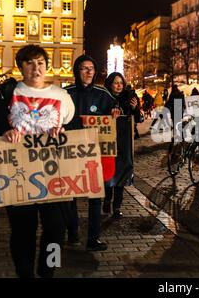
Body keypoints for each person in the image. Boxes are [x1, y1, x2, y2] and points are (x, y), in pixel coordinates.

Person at [0, 45, 75, 277]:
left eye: (41, 62)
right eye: (30, 63)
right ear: (21, 66)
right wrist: (4, 132)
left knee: (56, 229)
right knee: (23, 230)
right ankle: (25, 273)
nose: (36, 68)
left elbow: (73, 129)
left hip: (54, 174)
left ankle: (48, 270)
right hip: (18, 173)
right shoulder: (8, 92)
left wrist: (63, 130)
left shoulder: (61, 96)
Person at [64, 55, 120, 251]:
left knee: (95, 197)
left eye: (91, 68)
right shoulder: (66, 93)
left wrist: (115, 112)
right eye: (83, 68)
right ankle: (72, 233)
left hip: (94, 153)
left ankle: (93, 238)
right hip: (71, 152)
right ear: (76, 71)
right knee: (69, 196)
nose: (88, 72)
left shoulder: (103, 94)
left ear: (95, 72)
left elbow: (115, 109)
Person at [103, 72, 140, 218]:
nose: (119, 85)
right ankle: (107, 198)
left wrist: (135, 108)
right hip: (107, 140)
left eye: (121, 83)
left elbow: (138, 119)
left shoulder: (129, 97)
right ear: (110, 84)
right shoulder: (104, 97)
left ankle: (117, 207)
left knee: (122, 173)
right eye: (115, 82)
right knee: (108, 172)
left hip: (124, 141)